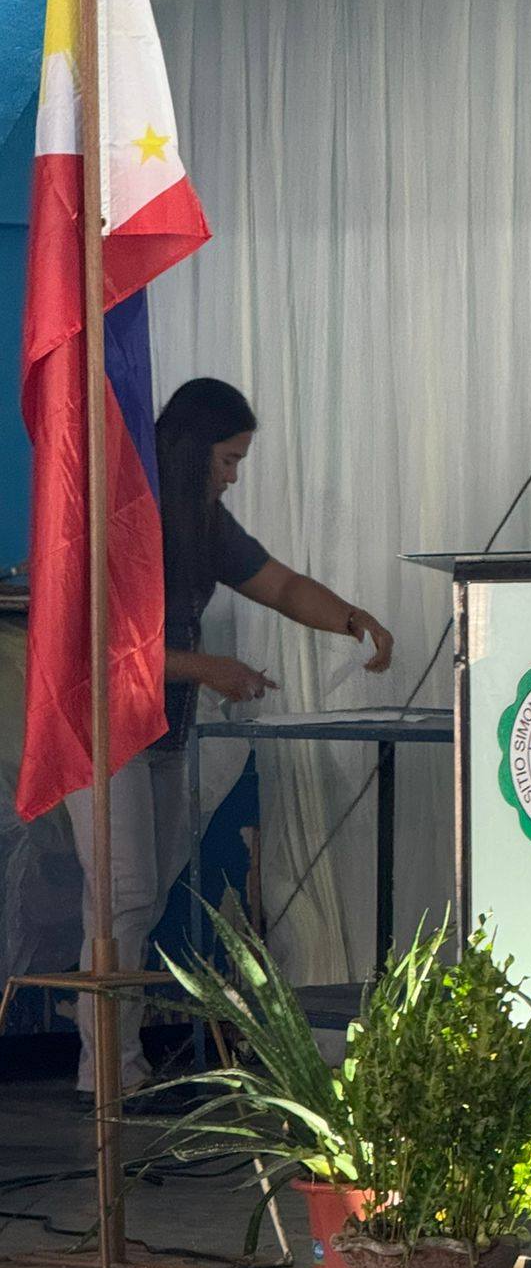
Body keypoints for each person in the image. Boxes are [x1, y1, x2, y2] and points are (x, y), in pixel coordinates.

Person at [66, 378, 394, 1105]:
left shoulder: (204, 522)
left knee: (142, 896)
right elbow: (99, 650)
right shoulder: (125, 516)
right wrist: (207, 668)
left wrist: (352, 618)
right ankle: (108, 1072)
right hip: (100, 729)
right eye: (228, 459)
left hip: (162, 727)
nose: (233, 476)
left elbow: (280, 585)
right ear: (191, 452)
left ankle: (111, 1055)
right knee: (124, 896)